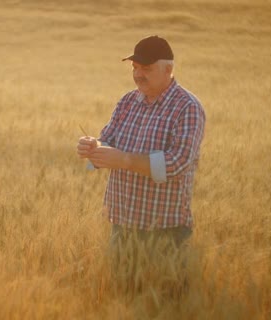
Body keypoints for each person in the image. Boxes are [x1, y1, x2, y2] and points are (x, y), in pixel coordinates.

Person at [76, 35, 206, 292]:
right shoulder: (127, 101)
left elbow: (178, 163)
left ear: (168, 69)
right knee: (123, 297)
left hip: (165, 230)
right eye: (135, 68)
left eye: (146, 69)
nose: (138, 75)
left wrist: (124, 160)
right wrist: (93, 147)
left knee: (168, 303)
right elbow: (108, 140)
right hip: (122, 226)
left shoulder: (187, 107)